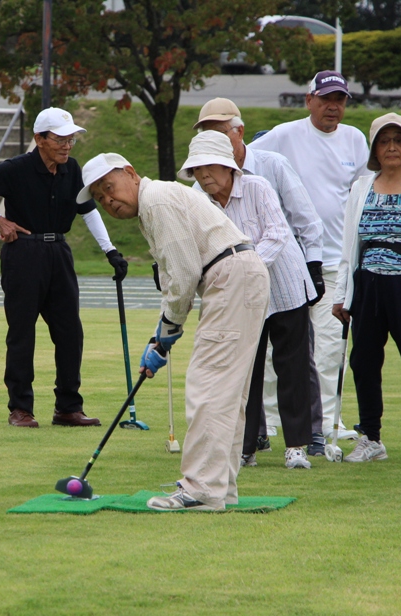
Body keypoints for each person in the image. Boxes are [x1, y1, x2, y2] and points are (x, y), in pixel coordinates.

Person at [76, 152, 270, 511]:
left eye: (109, 188)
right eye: (100, 199)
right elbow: (174, 279)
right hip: (239, 276)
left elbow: (182, 278)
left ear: (130, 173)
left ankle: (200, 489)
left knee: (208, 386)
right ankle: (219, 488)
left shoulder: (158, 201)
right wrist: (159, 338)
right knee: (225, 392)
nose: (109, 201)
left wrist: (168, 331)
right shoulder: (155, 204)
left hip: (230, 276)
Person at [0, 107, 128, 428]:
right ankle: (20, 409)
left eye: (71, 140)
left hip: (59, 253)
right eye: (60, 139)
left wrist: (110, 251)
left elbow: (87, 209)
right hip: (23, 254)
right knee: (22, 333)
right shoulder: (17, 168)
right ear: (39, 139)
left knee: (70, 332)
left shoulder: (72, 169)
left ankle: (68, 407)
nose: (67, 146)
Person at [192, 97, 326, 457]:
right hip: (240, 295)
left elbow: (283, 231)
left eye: (219, 134)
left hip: (283, 285)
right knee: (242, 369)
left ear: (238, 133)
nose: (204, 173)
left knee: (293, 366)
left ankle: (298, 445)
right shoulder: (198, 195)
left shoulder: (266, 172)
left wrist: (313, 265)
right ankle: (246, 444)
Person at [250, 70, 370, 440]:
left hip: (335, 262)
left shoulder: (355, 139)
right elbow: (242, 161)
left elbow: (362, 190)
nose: (333, 107)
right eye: (326, 99)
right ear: (309, 100)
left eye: (340, 100)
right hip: (287, 262)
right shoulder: (285, 135)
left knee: (331, 347)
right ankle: (271, 421)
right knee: (280, 350)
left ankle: (326, 423)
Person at [333, 112, 401, 466]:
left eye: (399, 140)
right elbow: (349, 245)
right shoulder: (360, 189)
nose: (391, 147)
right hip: (368, 284)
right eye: (384, 141)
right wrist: (341, 294)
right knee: (363, 362)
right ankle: (371, 437)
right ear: (375, 150)